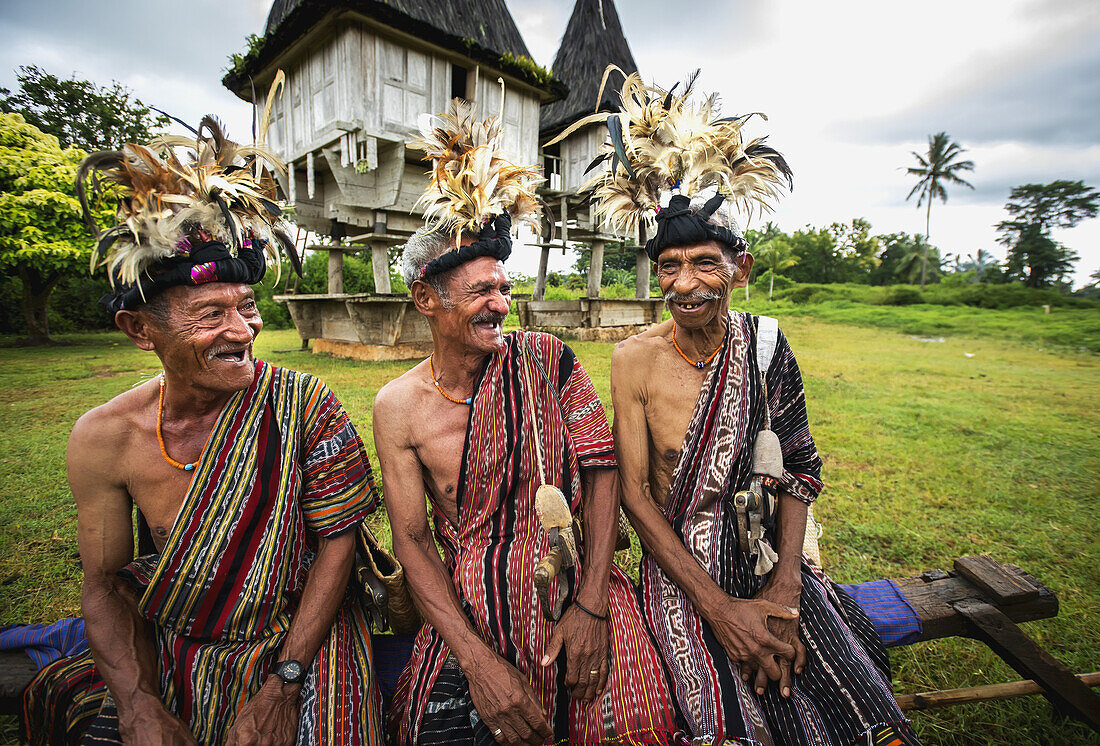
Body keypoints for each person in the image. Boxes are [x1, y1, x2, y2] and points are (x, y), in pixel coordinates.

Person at [587, 74, 919, 745]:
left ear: (739, 268)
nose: (685, 284)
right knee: (726, 711)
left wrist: (788, 588)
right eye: (670, 265)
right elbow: (637, 500)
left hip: (767, 556)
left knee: (841, 691)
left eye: (705, 264)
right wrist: (719, 609)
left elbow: (798, 469)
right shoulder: (632, 361)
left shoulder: (766, 344)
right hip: (680, 571)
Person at [64, 107, 384, 745]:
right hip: (180, 645)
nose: (242, 332)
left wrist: (285, 681)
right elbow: (103, 582)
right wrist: (137, 704)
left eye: (246, 307)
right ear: (139, 330)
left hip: (301, 643)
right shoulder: (104, 438)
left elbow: (338, 546)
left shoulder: (302, 405)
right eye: (211, 313)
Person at [375, 100, 678, 745]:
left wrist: (593, 606)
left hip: (576, 591)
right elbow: (414, 543)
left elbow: (601, 478)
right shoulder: (397, 408)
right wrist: (479, 664)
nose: (500, 304)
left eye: (504, 288)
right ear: (428, 300)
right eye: (483, 291)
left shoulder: (546, 362)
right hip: (474, 618)